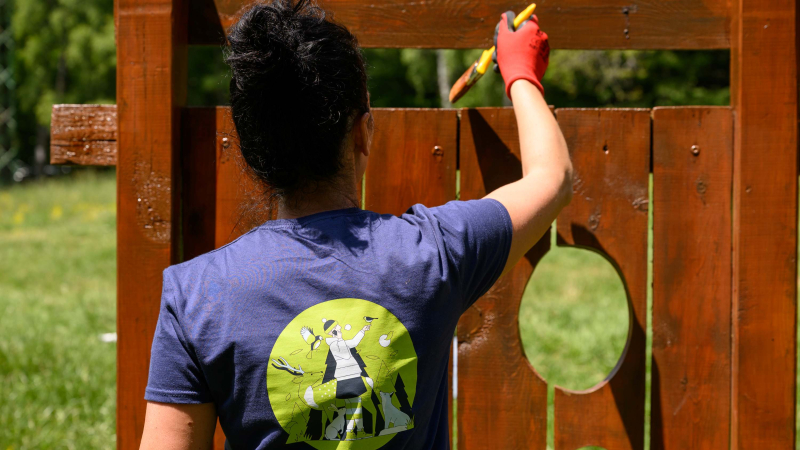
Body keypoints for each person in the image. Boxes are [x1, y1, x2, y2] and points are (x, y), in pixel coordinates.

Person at [138, 0, 571, 448]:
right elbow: (552, 178)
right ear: (362, 132)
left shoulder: (195, 296)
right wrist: (522, 74)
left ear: (250, 149)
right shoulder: (436, 254)